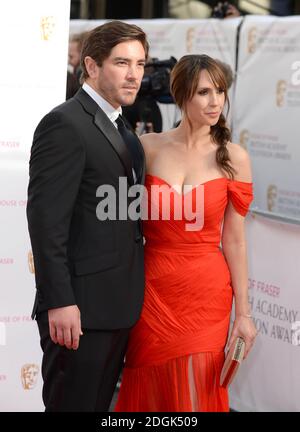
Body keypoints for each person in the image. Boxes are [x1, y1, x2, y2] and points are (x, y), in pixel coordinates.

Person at [115, 54, 257, 412]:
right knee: (148, 382)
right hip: (151, 287)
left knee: (197, 388)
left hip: (206, 292)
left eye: (221, 92)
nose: (215, 102)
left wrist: (244, 313)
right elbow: (120, 220)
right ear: (181, 97)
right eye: (204, 92)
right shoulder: (147, 147)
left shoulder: (233, 157)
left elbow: (235, 240)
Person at [26, 21, 148, 412]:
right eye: (122, 63)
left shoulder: (123, 129)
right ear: (91, 66)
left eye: (141, 64)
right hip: (78, 309)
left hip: (117, 305)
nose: (134, 75)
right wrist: (60, 301)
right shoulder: (64, 123)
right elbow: (47, 223)